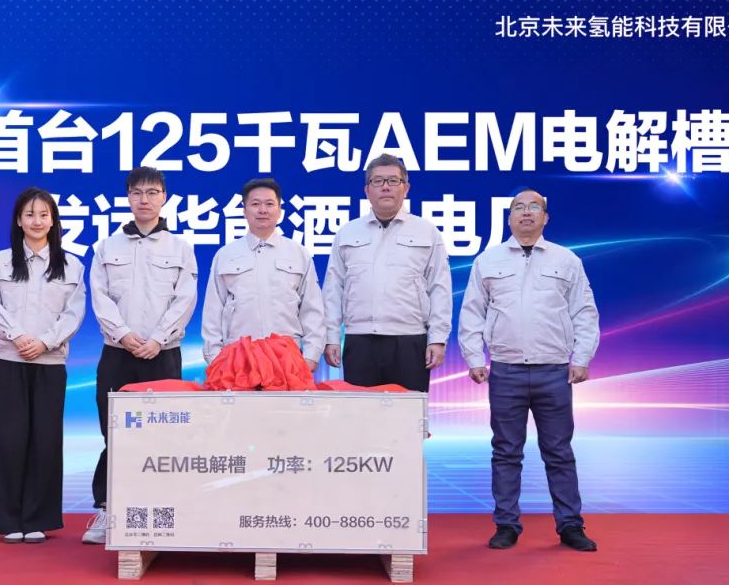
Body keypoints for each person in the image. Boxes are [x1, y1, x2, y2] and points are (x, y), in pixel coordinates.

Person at [458, 189, 600, 552]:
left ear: (545, 218)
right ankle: (506, 525)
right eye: (518, 208)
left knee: (559, 451)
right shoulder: (488, 260)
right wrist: (474, 358)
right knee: (506, 451)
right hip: (506, 371)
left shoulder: (566, 260)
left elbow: (584, 312)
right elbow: (472, 312)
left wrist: (582, 357)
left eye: (534, 207)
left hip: (554, 370)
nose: (526, 212)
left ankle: (570, 525)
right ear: (508, 218)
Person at [82, 167, 198, 544]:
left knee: (163, 435)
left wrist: (158, 339)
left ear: (164, 197)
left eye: (152, 192)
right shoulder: (107, 247)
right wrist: (124, 335)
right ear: (128, 197)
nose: (144, 200)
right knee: (114, 433)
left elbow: (185, 299)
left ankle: (162, 511)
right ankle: (107, 510)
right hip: (118, 354)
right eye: (137, 193)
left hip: (164, 355)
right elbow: (99, 297)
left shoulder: (180, 247)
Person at [0, 188, 86, 544]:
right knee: (9, 439)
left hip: (50, 361)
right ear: (19, 221)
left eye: (43, 215)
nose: (37, 221)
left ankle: (38, 517)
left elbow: (74, 313)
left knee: (46, 439)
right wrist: (18, 335)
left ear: (53, 221)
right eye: (29, 214)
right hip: (10, 359)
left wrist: (45, 342)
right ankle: (9, 518)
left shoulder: (71, 265)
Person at [322, 153, 452, 392]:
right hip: (360, 340)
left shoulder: (426, 232)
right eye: (377, 181)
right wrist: (331, 337)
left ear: (406, 188)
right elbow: (333, 289)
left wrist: (438, 338)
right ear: (367, 190)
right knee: (360, 412)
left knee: (408, 413)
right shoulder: (347, 233)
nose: (385, 187)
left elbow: (439, 288)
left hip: (410, 340)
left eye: (393, 181)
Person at [202, 178, 324, 370]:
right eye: (255, 204)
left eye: (269, 204)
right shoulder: (226, 255)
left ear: (279, 210)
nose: (262, 210)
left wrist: (311, 356)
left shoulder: (298, 253)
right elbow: (213, 311)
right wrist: (216, 359)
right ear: (244, 210)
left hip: (287, 360)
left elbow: (312, 309)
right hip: (238, 359)